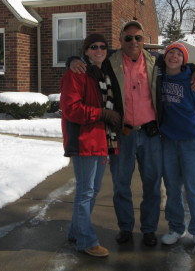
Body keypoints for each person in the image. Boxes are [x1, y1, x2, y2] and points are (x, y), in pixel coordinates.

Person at [68, 20, 195, 247]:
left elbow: (180, 63)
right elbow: (87, 57)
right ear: (120, 40)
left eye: (138, 38)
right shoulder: (110, 60)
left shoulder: (157, 61)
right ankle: (125, 228)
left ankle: (149, 229)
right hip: (123, 133)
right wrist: (71, 60)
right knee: (121, 185)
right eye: (128, 37)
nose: (133, 41)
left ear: (144, 41)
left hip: (150, 134)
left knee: (151, 185)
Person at [60, 33, 122, 257]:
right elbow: (71, 109)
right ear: (85, 51)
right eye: (93, 47)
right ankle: (86, 240)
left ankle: (76, 232)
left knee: (92, 191)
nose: (99, 50)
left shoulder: (104, 72)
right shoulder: (76, 74)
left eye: (103, 46)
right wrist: (102, 113)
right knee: (85, 193)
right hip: (84, 140)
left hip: (102, 140)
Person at [159, 42, 195, 254]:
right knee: (172, 188)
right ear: (165, 57)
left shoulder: (193, 80)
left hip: (190, 141)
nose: (173, 56)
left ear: (184, 60)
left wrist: (193, 127)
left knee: (193, 188)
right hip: (168, 140)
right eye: (170, 52)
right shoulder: (159, 78)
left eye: (178, 54)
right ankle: (176, 227)